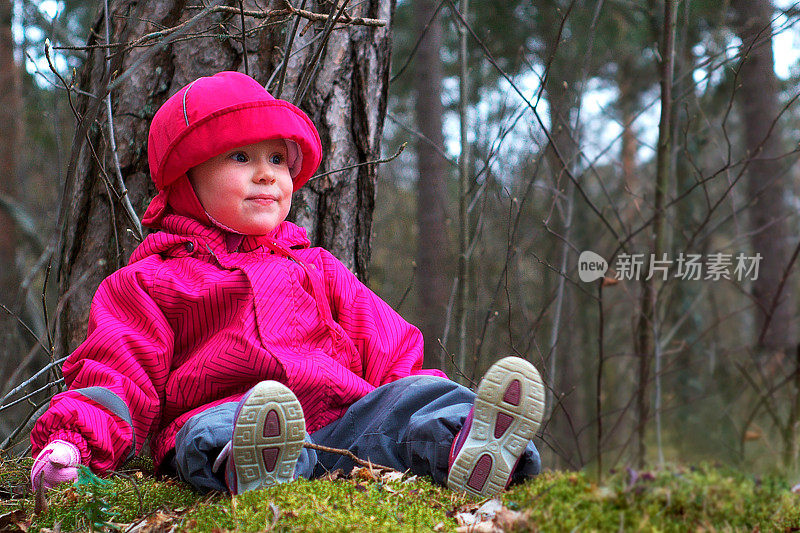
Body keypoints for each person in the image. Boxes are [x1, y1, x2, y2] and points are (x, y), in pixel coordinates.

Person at [29, 71, 545, 498]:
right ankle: (253, 469)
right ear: (187, 179)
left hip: (344, 428)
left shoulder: (316, 267)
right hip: (223, 416)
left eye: (277, 160)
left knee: (419, 393)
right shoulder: (149, 281)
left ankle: (466, 445)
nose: (267, 175)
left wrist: (412, 399)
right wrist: (72, 441)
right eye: (241, 158)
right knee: (210, 433)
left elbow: (390, 346)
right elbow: (117, 373)